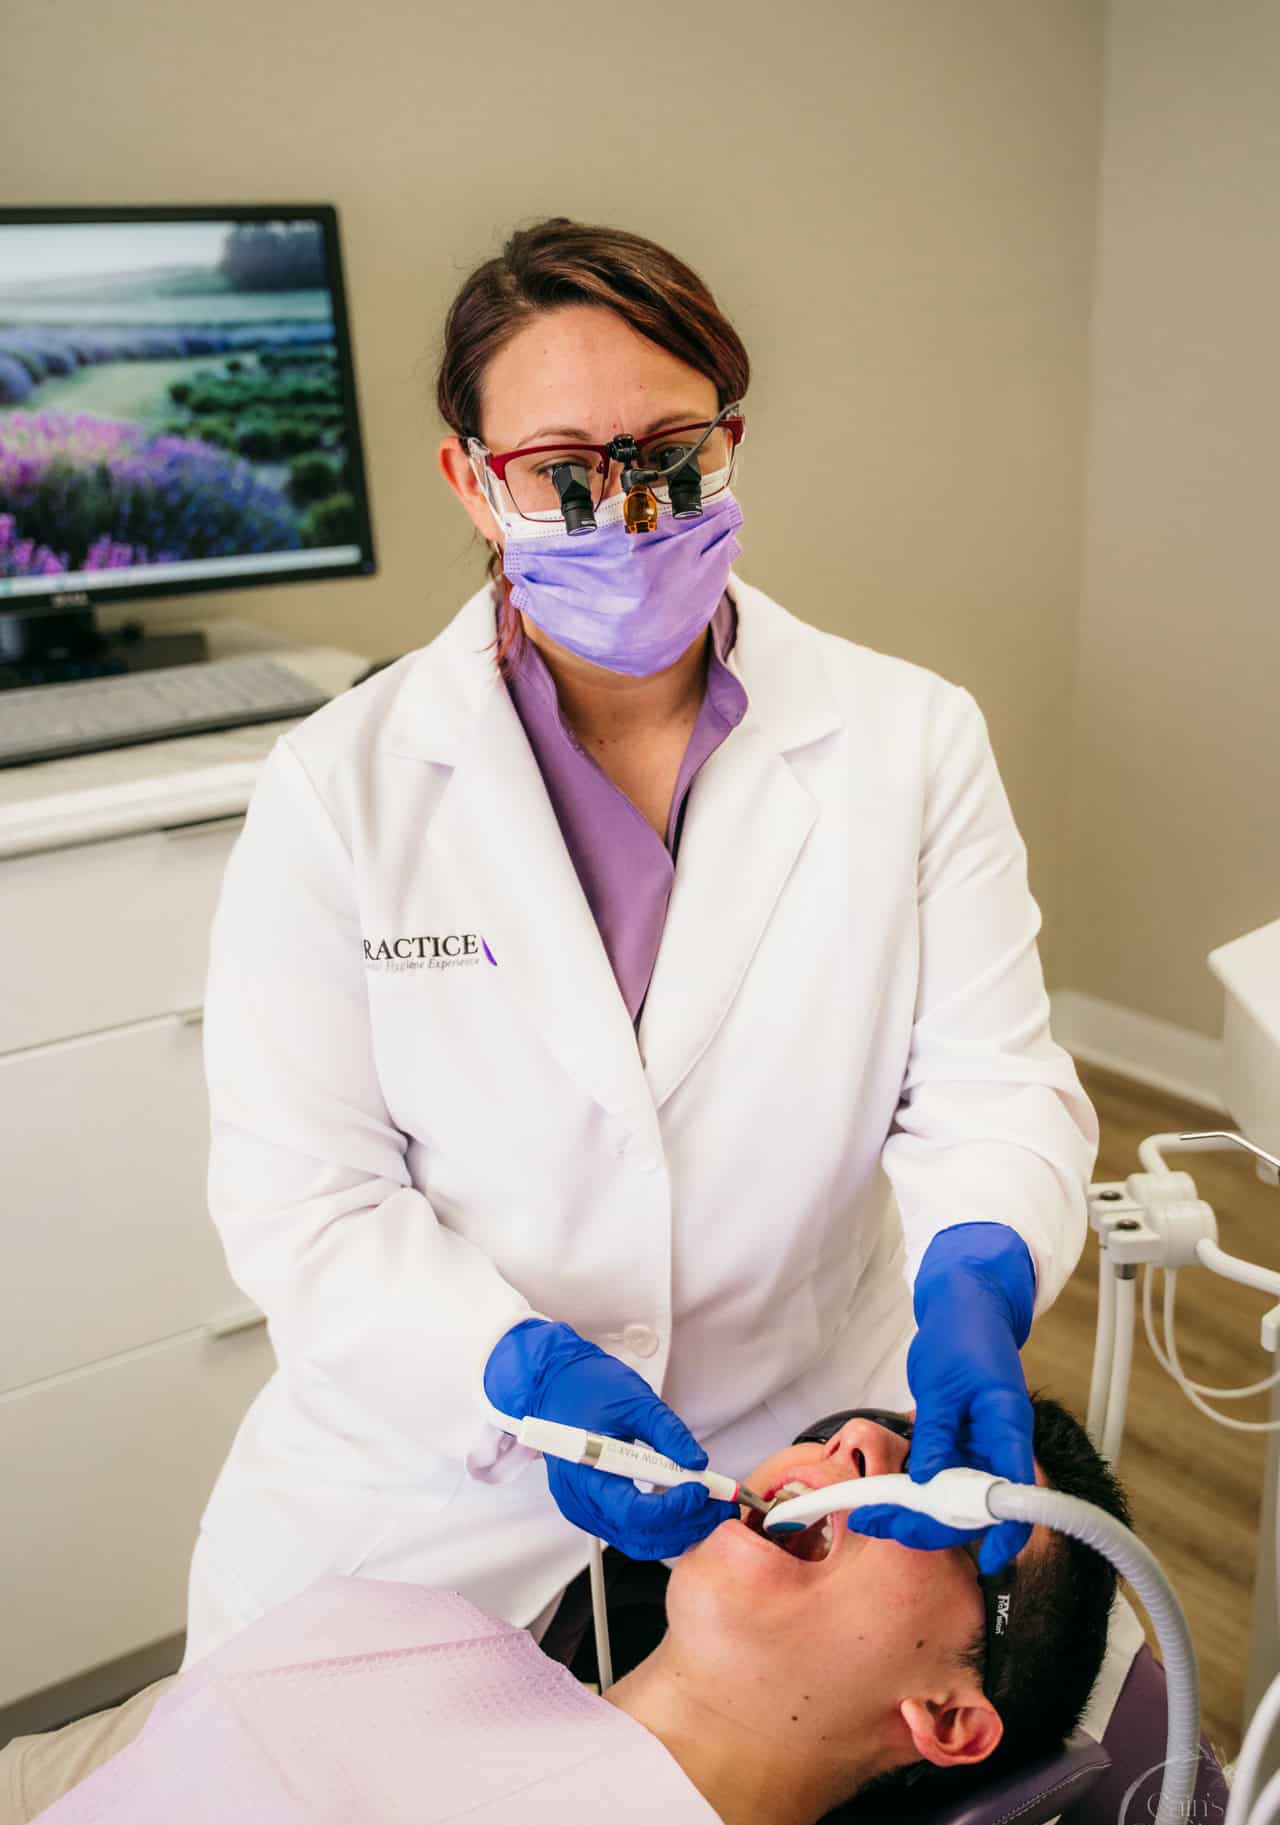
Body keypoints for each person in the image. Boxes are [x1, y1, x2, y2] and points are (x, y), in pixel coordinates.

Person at [174, 214, 1098, 1669]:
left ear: (731, 441)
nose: (635, 514)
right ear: (475, 487)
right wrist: (509, 1373)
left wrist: (980, 1268)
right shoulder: (340, 789)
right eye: (563, 475)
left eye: (674, 453)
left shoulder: (909, 739)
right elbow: (307, 1200)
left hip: (778, 1487)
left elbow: (987, 1082)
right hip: (431, 1488)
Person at [0, 1401, 1131, 1825]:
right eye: (875, 1426)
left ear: (946, 1716)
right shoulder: (374, 1633)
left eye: (941, 1497)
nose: (861, 1447)